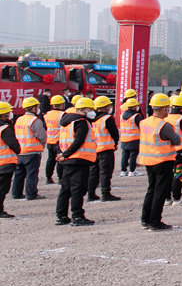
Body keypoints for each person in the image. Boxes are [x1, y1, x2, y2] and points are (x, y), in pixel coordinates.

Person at [139, 93, 181, 231]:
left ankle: (145, 220)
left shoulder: (144, 122)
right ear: (164, 109)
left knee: (151, 189)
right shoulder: (164, 125)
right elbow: (176, 140)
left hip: (148, 160)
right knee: (160, 192)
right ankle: (155, 222)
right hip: (162, 161)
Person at [56, 97, 99, 227]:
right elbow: (78, 141)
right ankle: (77, 216)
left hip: (68, 160)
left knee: (66, 189)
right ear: (83, 110)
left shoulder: (67, 122)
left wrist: (63, 154)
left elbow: (62, 140)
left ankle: (61, 216)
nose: (92, 112)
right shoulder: (82, 122)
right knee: (78, 189)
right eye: (90, 109)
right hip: (79, 159)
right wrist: (65, 154)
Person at [84, 96, 120, 202]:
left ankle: (91, 194)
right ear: (105, 107)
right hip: (106, 149)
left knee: (93, 173)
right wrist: (115, 143)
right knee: (105, 173)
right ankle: (105, 194)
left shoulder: (92, 119)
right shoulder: (107, 119)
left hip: (94, 149)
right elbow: (115, 134)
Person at [13, 98, 46, 201]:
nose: (38, 109)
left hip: (20, 151)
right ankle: (31, 194)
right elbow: (42, 136)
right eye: (37, 107)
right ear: (33, 108)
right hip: (32, 151)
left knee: (19, 174)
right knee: (31, 174)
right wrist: (42, 145)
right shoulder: (34, 120)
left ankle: (16, 193)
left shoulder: (19, 119)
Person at [0, 103, 19, 218]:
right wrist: (18, 150)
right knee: (2, 189)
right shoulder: (5, 128)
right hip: (5, 163)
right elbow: (13, 144)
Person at [118, 98, 142, 177]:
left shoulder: (122, 116)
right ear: (134, 107)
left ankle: (123, 171)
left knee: (124, 155)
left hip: (124, 138)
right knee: (133, 155)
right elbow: (141, 126)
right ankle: (132, 171)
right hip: (134, 139)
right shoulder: (136, 116)